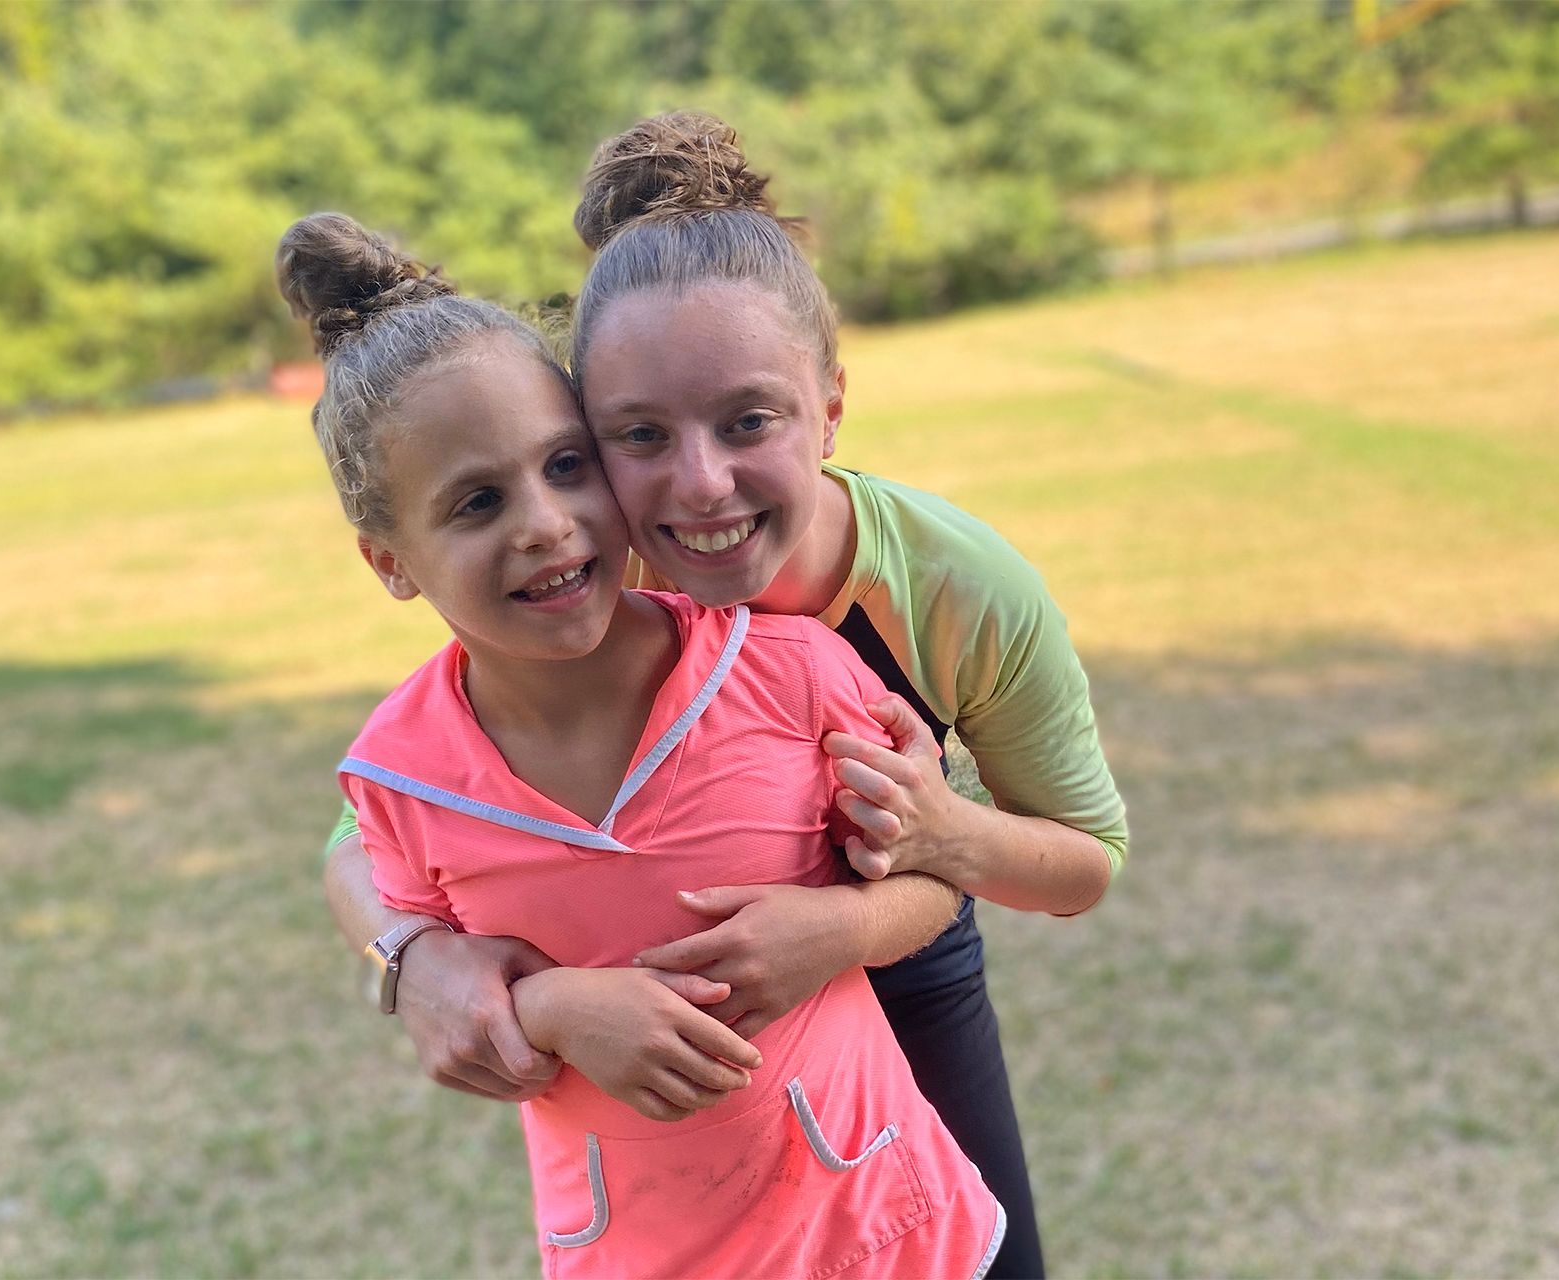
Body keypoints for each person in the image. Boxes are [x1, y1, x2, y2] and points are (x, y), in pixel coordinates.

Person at [323, 112, 1128, 1279]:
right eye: (636, 436)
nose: (700, 488)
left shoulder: (956, 586)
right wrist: (420, 962)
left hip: (910, 932)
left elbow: (1084, 858)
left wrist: (925, 851)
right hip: (668, 1065)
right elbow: (368, 835)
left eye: (749, 421)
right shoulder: (586, 574)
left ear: (831, 407)